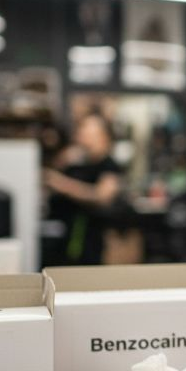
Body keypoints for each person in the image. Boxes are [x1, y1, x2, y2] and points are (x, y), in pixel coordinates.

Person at [43, 113, 123, 265]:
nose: (82, 135)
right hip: (63, 239)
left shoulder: (109, 166)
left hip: (90, 241)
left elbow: (101, 196)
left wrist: (63, 184)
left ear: (103, 136)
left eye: (87, 131)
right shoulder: (76, 162)